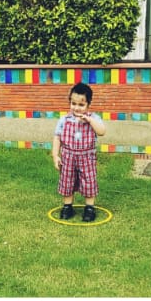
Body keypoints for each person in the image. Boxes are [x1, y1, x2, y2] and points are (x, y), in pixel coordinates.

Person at [51, 83, 106, 222]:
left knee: (89, 181)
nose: (76, 108)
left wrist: (90, 120)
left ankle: (89, 208)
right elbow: (57, 137)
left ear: (88, 104)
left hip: (87, 157)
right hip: (68, 156)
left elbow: (101, 131)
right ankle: (67, 206)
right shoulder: (64, 120)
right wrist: (55, 155)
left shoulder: (94, 118)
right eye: (73, 103)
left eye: (81, 105)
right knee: (67, 180)